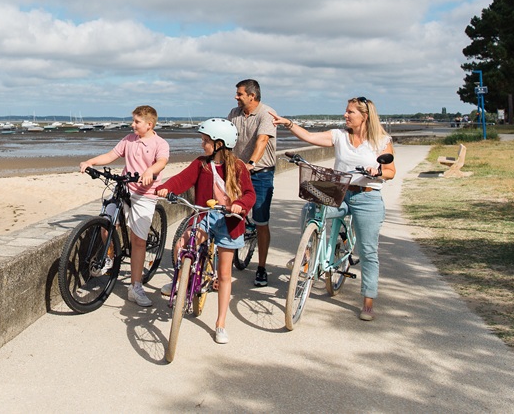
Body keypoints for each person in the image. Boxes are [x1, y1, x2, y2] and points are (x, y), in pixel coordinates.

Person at [270, 97, 396, 322]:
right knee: (310, 208)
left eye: (350, 112)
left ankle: (368, 301)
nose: (345, 115)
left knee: (368, 251)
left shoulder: (381, 140)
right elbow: (309, 137)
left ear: (364, 116)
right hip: (339, 192)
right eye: (346, 111)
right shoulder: (339, 136)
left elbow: (391, 171)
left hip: (367, 197)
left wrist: (377, 172)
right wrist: (288, 123)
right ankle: (308, 254)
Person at [156, 118, 256, 344]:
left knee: (224, 275)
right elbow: (183, 179)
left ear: (220, 143)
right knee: (183, 244)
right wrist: (166, 188)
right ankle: (180, 282)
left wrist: (241, 205)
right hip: (206, 216)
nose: (202, 144)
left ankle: (220, 323)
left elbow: (250, 194)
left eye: (206, 140)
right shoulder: (201, 164)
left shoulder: (238, 167)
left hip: (230, 221)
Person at [79, 105, 169, 307]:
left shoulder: (160, 143)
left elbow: (162, 161)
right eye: (133, 121)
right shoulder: (129, 139)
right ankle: (109, 256)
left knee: (138, 241)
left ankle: (135, 287)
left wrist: (149, 171)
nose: (133, 124)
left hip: (145, 194)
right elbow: (111, 155)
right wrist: (91, 162)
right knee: (105, 223)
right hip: (124, 188)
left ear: (149, 124)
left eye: (137, 122)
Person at [227, 79, 277, 287]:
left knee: (261, 221)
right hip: (236, 171)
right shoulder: (234, 113)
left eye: (239, 94)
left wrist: (251, 164)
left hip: (260, 173)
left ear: (252, 96)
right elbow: (227, 137)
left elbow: (262, 141)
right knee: (228, 213)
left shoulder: (266, 114)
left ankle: (262, 267)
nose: (236, 97)